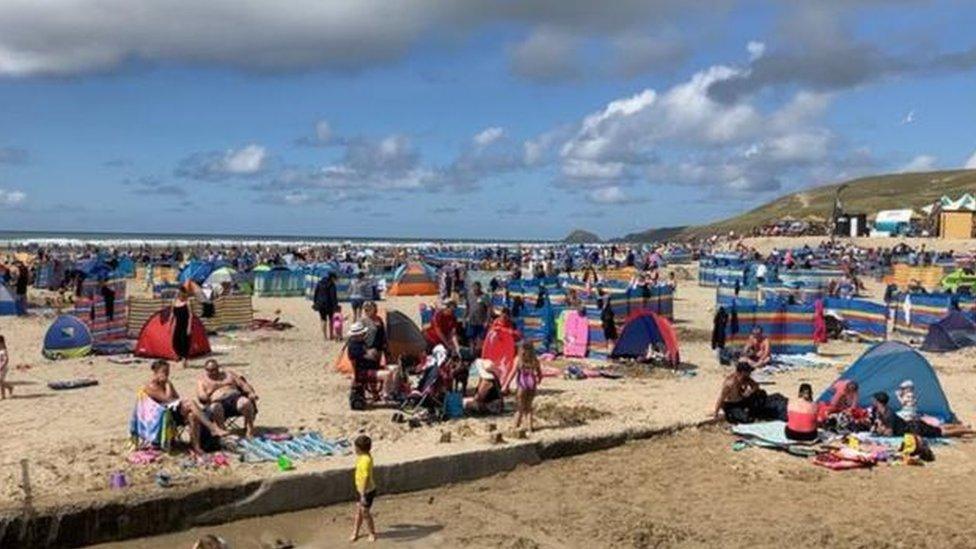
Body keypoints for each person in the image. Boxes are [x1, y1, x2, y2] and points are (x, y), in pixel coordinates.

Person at [143, 360, 227, 454]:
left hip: (172, 413)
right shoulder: (151, 386)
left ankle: (196, 446)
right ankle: (212, 428)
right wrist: (167, 384)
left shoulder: (165, 383)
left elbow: (176, 398)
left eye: (168, 371)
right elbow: (167, 399)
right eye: (164, 371)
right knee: (190, 403)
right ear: (155, 372)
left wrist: (168, 386)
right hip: (161, 417)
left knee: (192, 415)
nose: (167, 374)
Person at [196, 359, 259, 438]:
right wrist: (211, 391)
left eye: (215, 369)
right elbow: (201, 396)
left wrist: (251, 393)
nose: (213, 372)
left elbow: (243, 385)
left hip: (235, 398)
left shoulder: (229, 375)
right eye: (210, 370)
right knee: (215, 407)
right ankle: (223, 431)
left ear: (218, 368)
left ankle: (250, 429)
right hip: (218, 402)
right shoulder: (202, 381)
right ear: (206, 370)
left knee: (245, 402)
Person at [871, 392, 975, 438]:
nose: (872, 402)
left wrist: (880, 431)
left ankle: (969, 430)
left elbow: (889, 433)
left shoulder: (888, 414)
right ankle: (964, 427)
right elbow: (880, 423)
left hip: (915, 429)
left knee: (942, 432)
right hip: (913, 425)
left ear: (878, 402)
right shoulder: (881, 411)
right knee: (939, 427)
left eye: (874, 400)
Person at [350, 434, 378, 543]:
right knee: (359, 512)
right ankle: (355, 531)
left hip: (367, 491)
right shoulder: (362, 457)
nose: (354, 450)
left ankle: (372, 533)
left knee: (365, 513)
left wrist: (362, 494)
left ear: (360, 449)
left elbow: (366, 477)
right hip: (360, 490)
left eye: (356, 447)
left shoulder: (366, 460)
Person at [514, 341, 542, 431]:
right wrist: (538, 380)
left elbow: (512, 373)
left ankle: (515, 426)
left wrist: (505, 385)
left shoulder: (519, 360)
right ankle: (530, 427)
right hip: (532, 384)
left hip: (522, 384)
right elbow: (540, 375)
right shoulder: (535, 360)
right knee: (528, 408)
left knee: (520, 408)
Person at [171, 286, 194, 369]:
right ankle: (179, 356)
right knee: (175, 341)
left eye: (180, 293)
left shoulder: (188, 302)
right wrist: (170, 323)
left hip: (185, 324)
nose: (179, 295)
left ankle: (184, 359)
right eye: (178, 293)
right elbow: (172, 314)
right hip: (177, 325)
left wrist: (189, 327)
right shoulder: (174, 302)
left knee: (184, 342)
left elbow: (191, 315)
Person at [313, 272, 340, 342]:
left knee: (323, 319)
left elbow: (316, 293)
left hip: (320, 304)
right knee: (331, 320)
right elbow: (333, 296)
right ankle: (331, 335)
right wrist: (336, 306)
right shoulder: (332, 285)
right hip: (329, 304)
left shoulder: (319, 283)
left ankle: (324, 336)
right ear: (332, 278)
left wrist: (315, 303)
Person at [465, 281, 491, 353]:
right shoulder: (469, 295)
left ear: (480, 288)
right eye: (474, 288)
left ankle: (478, 352)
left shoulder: (485, 296)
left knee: (480, 338)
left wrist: (487, 320)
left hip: (481, 321)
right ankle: (471, 352)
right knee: (471, 337)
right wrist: (464, 318)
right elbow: (467, 306)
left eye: (477, 289)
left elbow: (489, 308)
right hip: (471, 320)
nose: (476, 290)